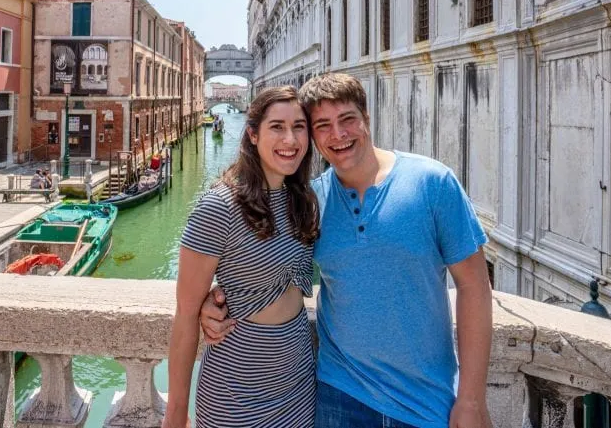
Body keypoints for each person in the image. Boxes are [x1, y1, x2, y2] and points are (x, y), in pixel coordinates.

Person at [202, 73, 493, 428]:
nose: (337, 135)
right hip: (338, 395)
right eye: (322, 125)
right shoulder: (310, 202)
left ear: (367, 119)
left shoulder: (434, 183)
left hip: (427, 401)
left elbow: (475, 287)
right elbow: (266, 265)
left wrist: (472, 400)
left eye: (347, 120)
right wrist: (216, 300)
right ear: (312, 136)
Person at [162, 86, 320, 428]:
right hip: (235, 392)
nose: (290, 139)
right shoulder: (218, 207)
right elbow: (186, 315)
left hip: (299, 384)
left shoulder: (303, 199)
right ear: (252, 134)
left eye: (299, 127)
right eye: (276, 127)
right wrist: (175, 415)